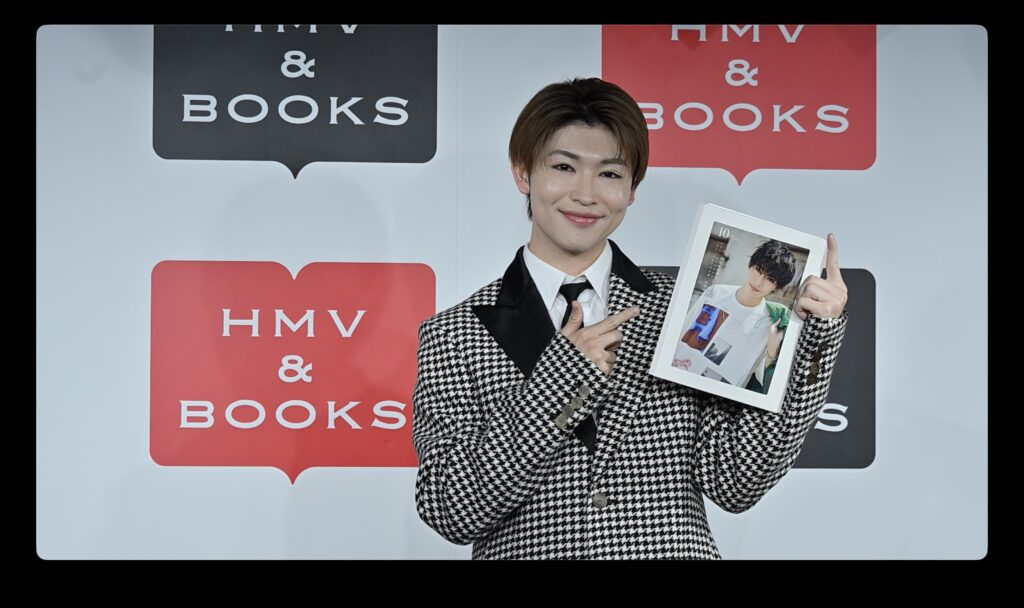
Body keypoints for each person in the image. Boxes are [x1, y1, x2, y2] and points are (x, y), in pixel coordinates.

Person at [411, 77, 849, 559]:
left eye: (609, 174)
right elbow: (451, 511)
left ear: (632, 189)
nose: (585, 194)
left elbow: (735, 482)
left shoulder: (678, 309)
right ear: (523, 173)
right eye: (563, 167)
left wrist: (811, 340)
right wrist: (560, 382)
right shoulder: (454, 334)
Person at [673, 239, 797, 394]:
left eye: (770, 279)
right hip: (676, 376)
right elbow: (680, 334)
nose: (758, 282)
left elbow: (763, 380)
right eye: (758, 269)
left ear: (776, 287)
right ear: (750, 265)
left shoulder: (769, 324)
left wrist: (772, 350)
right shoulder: (716, 293)